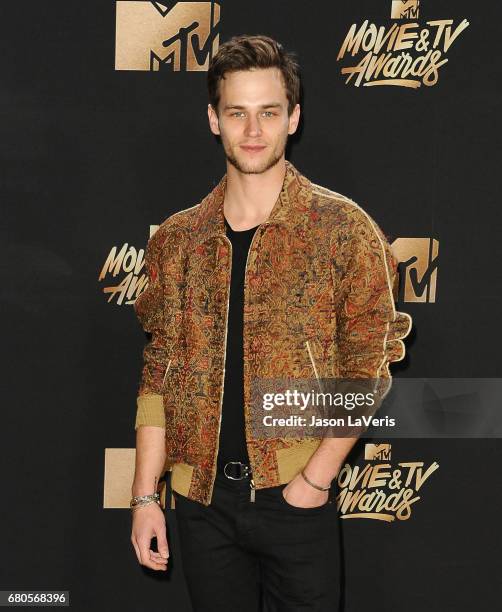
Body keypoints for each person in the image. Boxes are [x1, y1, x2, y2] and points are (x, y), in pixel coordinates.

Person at [129, 34, 412, 611]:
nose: (253, 131)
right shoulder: (179, 240)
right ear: (213, 120)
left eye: (269, 113)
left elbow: (370, 363)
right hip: (200, 504)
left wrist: (314, 480)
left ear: (294, 118)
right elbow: (159, 371)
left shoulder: (340, 228)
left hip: (296, 495)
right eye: (237, 113)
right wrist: (144, 497)